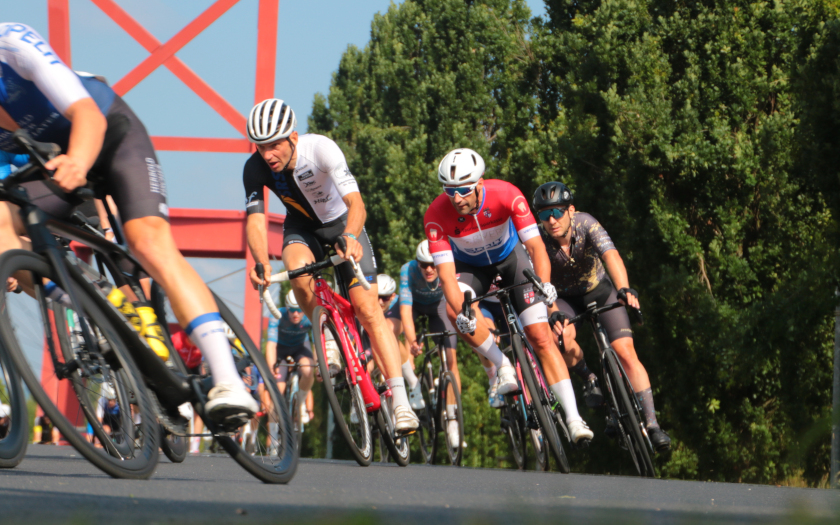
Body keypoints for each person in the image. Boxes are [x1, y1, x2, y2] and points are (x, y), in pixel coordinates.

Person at [0, 23, 257, 424]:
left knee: (148, 243)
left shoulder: (11, 43)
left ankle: (228, 380)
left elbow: (87, 115)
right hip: (53, 166)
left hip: (109, 132)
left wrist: (79, 163)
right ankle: (95, 304)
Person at [242, 98, 418, 433]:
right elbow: (255, 221)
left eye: (275, 145)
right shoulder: (254, 168)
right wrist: (261, 262)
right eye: (261, 146)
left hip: (342, 225)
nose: (268, 154)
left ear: (293, 137)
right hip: (302, 229)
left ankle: (401, 401)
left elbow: (356, 204)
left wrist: (350, 236)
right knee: (296, 271)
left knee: (367, 309)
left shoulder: (321, 149)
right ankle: (327, 334)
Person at [423, 148, 594, 443]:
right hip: (471, 268)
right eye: (449, 191)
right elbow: (448, 278)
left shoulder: (506, 194)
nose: (457, 198)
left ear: (480, 183)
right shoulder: (436, 214)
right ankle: (501, 364)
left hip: (512, 260)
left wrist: (544, 282)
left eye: (464, 190)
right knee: (453, 310)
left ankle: (574, 418)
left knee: (541, 337)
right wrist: (462, 311)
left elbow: (537, 248)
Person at [533, 181, 671, 452]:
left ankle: (653, 425)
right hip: (564, 299)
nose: (551, 220)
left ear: (571, 210)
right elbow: (542, 282)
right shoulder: (539, 240)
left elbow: (612, 256)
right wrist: (553, 314)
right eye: (544, 214)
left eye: (557, 212)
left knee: (626, 352)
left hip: (600, 291)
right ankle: (589, 378)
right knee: (561, 337)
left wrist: (623, 289)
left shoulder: (586, 224)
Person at [265, 290, 315, 424]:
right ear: (286, 308)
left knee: (309, 370)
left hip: (299, 348)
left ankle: (300, 402)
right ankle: (274, 433)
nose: (296, 314)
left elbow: (318, 345)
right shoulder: (277, 315)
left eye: (299, 310)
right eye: (291, 310)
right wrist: (271, 368)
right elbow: (271, 345)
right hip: (280, 349)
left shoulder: (310, 315)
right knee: (278, 390)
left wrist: (320, 366)